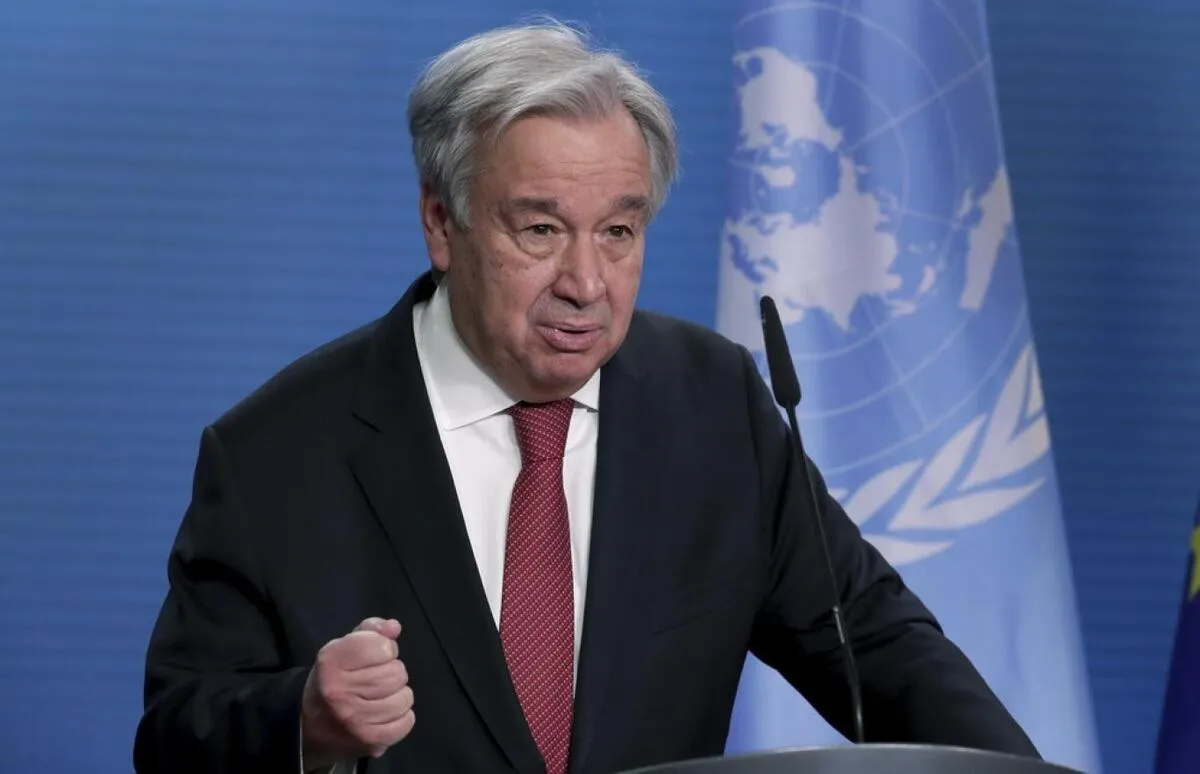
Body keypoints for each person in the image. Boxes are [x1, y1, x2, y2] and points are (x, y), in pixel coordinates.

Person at [132, 18, 1041, 774]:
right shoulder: (276, 453)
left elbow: (877, 647)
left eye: (618, 232)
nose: (587, 283)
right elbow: (174, 736)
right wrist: (303, 721)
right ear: (441, 223)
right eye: (540, 230)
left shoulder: (714, 406)